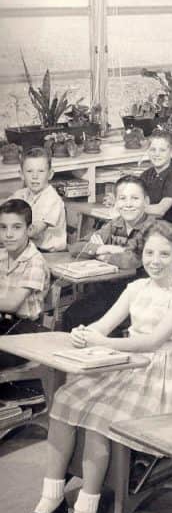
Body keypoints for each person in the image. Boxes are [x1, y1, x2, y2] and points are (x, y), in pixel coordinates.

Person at [18, 221, 172, 513]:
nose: (155, 260)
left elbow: (152, 342)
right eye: (149, 252)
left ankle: (87, 512)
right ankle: (51, 498)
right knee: (65, 398)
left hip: (163, 373)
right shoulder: (135, 288)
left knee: (101, 418)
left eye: (164, 253)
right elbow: (104, 326)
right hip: (128, 362)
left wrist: (102, 343)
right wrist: (85, 334)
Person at [63, 175, 156, 328]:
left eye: (134, 198)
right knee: (72, 315)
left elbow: (131, 260)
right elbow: (77, 247)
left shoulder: (151, 229)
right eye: (122, 198)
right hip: (110, 291)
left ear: (146, 202)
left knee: (83, 319)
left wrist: (102, 256)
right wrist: (103, 248)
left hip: (140, 297)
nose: (128, 204)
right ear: (116, 202)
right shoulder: (115, 224)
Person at [0, 199, 50, 371]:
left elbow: (12, 304)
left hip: (26, 333)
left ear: (29, 230)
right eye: (3, 227)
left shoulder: (35, 261)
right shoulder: (2, 255)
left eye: (16, 227)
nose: (8, 234)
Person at [7, 147, 66, 252]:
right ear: (21, 174)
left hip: (49, 253)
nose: (35, 176)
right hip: (27, 247)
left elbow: (34, 230)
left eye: (41, 171)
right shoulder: (21, 194)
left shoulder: (52, 199)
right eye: (29, 171)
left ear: (50, 174)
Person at [140, 129, 172, 223]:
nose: (157, 154)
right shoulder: (146, 174)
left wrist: (132, 208)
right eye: (153, 150)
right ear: (148, 152)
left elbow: (160, 210)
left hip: (169, 227)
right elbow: (136, 194)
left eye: (162, 150)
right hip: (149, 222)